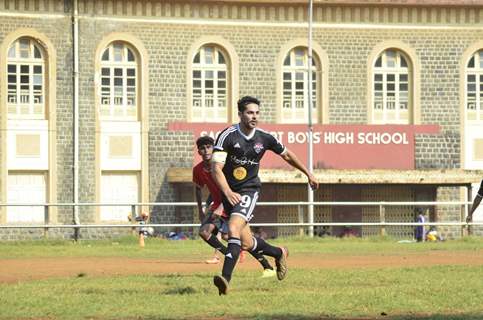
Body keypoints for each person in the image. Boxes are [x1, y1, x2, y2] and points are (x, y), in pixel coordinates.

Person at [211, 96, 319, 295]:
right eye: (250, 112)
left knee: (232, 229)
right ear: (240, 114)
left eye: (257, 113)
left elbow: (287, 154)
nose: (254, 116)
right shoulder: (227, 136)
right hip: (229, 193)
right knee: (245, 242)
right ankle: (279, 253)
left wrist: (308, 173)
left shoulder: (264, 138)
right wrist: (227, 192)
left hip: (249, 191)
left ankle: (225, 279)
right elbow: (216, 168)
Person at [193, 136, 276, 277]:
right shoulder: (198, 169)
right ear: (199, 151)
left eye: (209, 147)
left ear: (214, 148)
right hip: (218, 204)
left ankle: (268, 265)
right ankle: (229, 254)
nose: (206, 150)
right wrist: (200, 210)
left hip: (233, 203)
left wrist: (222, 207)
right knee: (205, 232)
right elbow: (197, 189)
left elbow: (235, 185)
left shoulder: (223, 165)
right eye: (202, 148)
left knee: (244, 242)